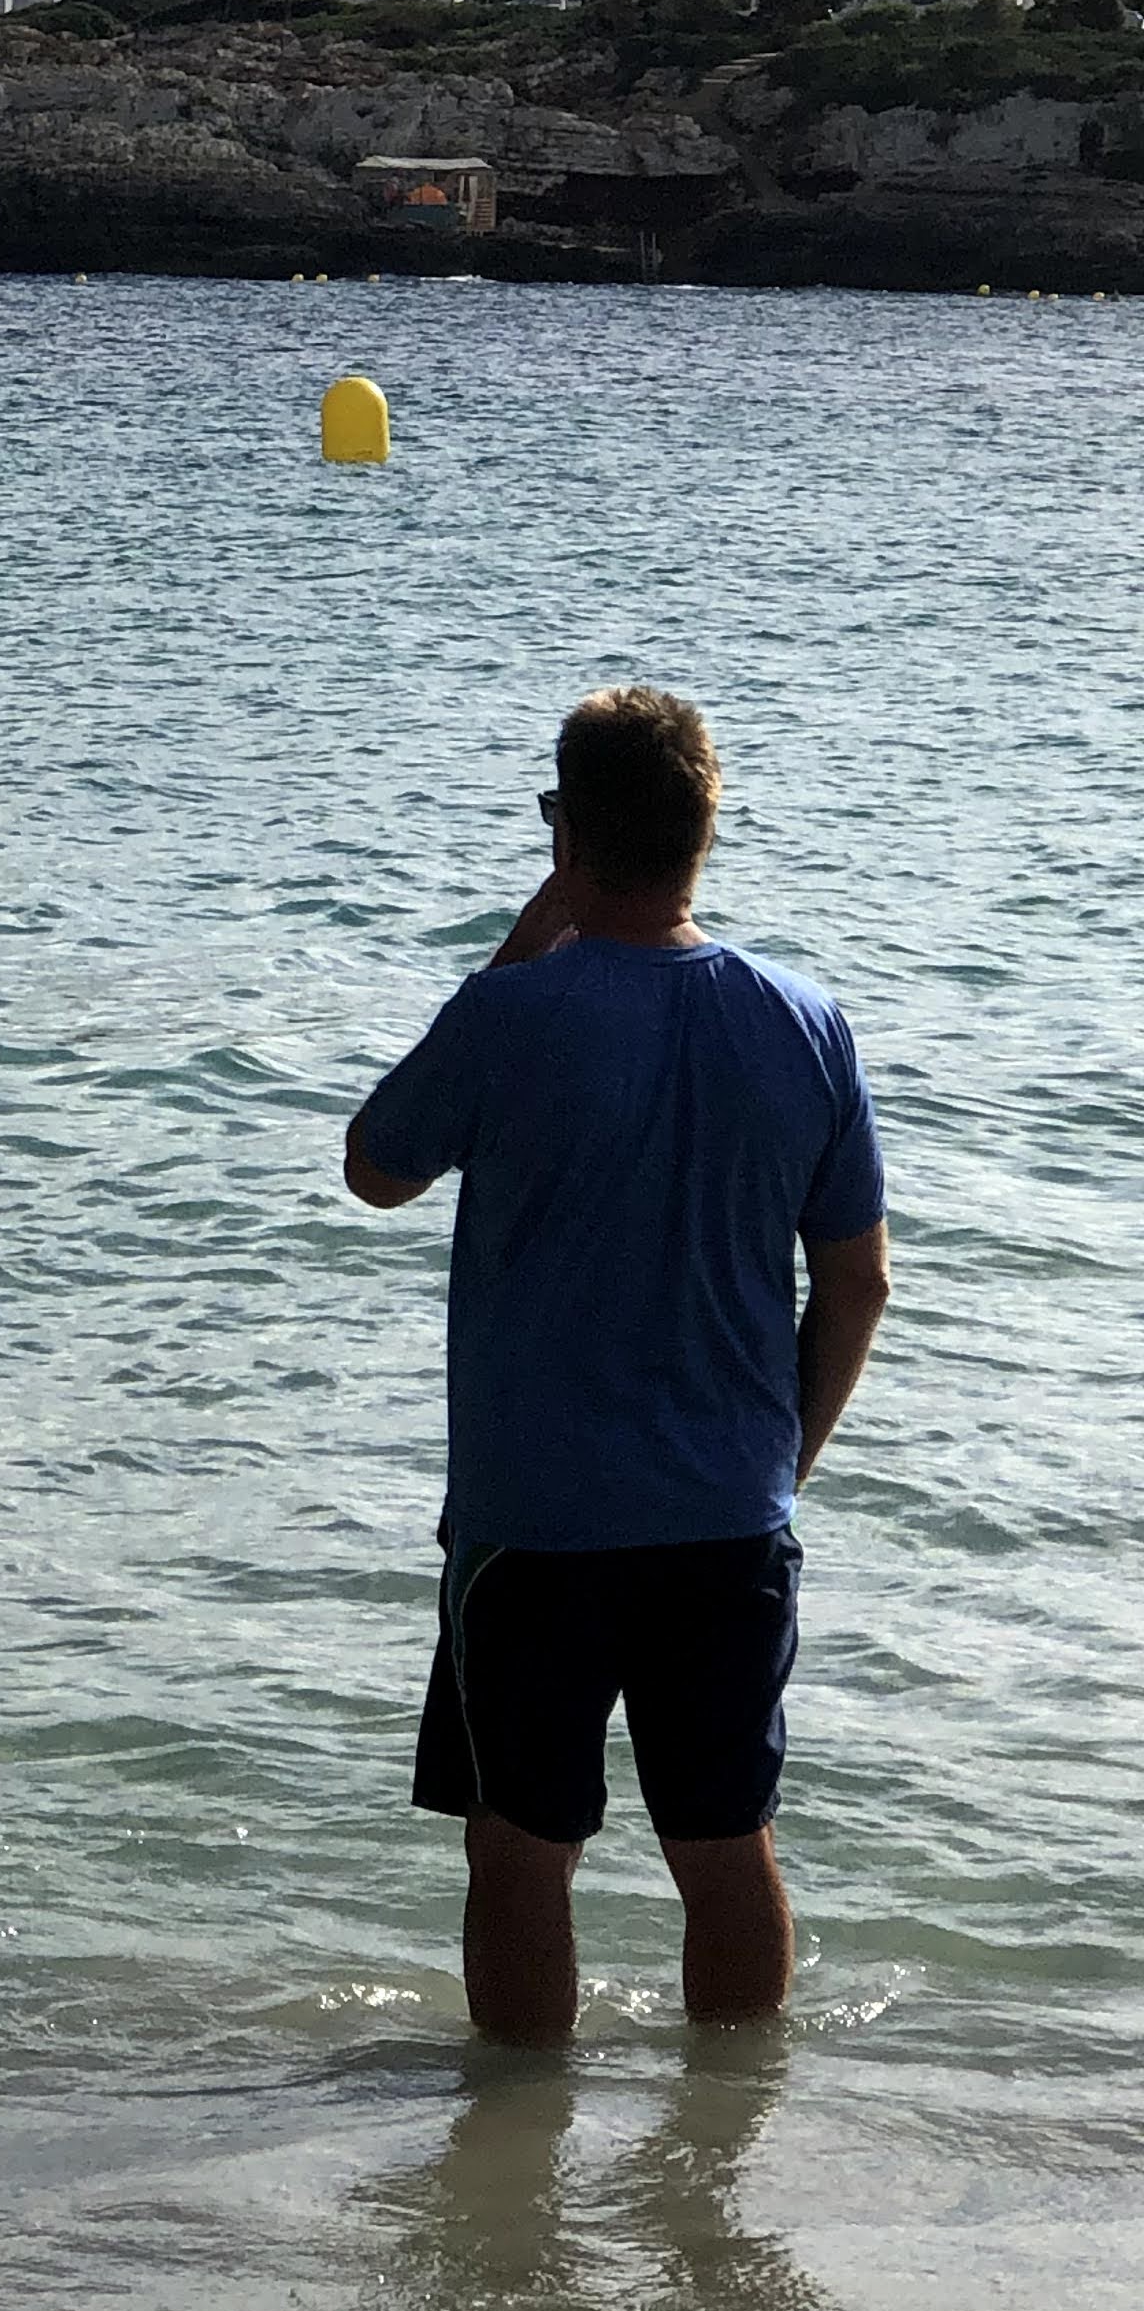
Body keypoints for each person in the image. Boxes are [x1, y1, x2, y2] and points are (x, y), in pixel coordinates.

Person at [344, 686, 891, 2045]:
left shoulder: (514, 1015)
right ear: (705, 835)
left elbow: (375, 1170)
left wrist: (532, 933)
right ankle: (724, 2152)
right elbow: (859, 1280)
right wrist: (779, 1460)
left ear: (569, 835)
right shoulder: (806, 1022)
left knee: (523, 1850)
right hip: (727, 1513)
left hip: (537, 1526)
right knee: (725, 1844)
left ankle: (516, 2176)